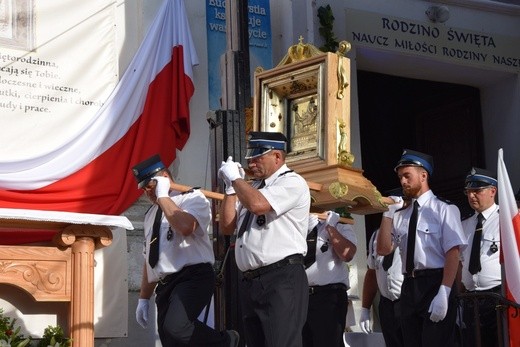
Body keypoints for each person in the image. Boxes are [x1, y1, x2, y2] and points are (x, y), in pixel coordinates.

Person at [132, 154, 239, 347]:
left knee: (176, 328)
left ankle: (227, 341)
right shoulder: (150, 215)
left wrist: (163, 196)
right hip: (165, 284)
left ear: (164, 177)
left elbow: (186, 227)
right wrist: (143, 298)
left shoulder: (192, 198)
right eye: (144, 189)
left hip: (193, 276)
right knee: (170, 339)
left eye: (150, 186)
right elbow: (150, 260)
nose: (147, 193)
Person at [219, 131, 311, 347]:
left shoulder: (292, 182)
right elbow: (227, 226)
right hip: (251, 281)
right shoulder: (254, 188)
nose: (251, 164)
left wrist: (236, 179)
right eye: (250, 158)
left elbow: (258, 206)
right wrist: (231, 190)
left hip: (280, 277)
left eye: (258, 158)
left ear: (277, 157)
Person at [376, 149, 466, 347]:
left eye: (407, 176)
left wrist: (444, 291)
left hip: (435, 282)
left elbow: (452, 252)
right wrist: (387, 215)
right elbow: (383, 250)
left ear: (423, 175)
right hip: (409, 286)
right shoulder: (401, 214)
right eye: (400, 177)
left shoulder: (444, 208)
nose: (403, 182)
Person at [303, 210, 358, 347]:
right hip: (301, 295)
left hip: (328, 295)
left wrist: (331, 227)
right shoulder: (301, 224)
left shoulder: (341, 225)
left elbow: (347, 254)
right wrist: (303, 231)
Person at [459, 167, 500, 347]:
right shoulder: (464, 224)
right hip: (470, 300)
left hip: (498, 299)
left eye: (477, 191)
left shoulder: (507, 219)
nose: (472, 196)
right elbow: (460, 263)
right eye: (469, 192)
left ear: (493, 191)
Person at [359, 227, 404, 347]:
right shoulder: (376, 235)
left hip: (408, 302)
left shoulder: (412, 228)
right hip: (387, 304)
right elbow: (372, 272)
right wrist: (365, 309)